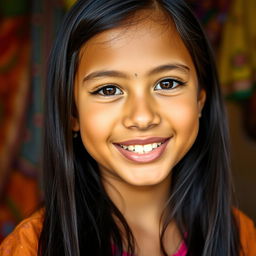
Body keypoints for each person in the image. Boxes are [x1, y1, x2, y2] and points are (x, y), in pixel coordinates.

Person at [0, 0, 256, 255]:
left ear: (200, 99)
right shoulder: (31, 247)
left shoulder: (241, 238)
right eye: (108, 89)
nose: (142, 117)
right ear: (73, 113)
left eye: (167, 84)